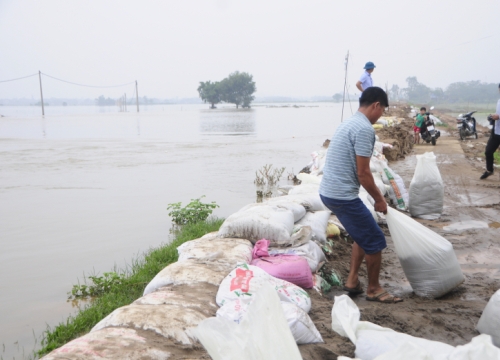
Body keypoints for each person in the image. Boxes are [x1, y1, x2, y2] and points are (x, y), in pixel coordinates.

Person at [319, 87, 402, 304]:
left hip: (329, 192)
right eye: (382, 110)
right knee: (375, 240)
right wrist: (379, 199)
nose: (381, 115)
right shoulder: (365, 129)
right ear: (376, 105)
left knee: (362, 234)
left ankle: (352, 281)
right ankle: (374, 289)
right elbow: (364, 173)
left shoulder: (349, 122)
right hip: (342, 196)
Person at [481, 83, 500, 179]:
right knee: (488, 151)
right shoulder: (499, 101)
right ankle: (489, 170)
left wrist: (499, 116)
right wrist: (493, 116)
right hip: (496, 131)